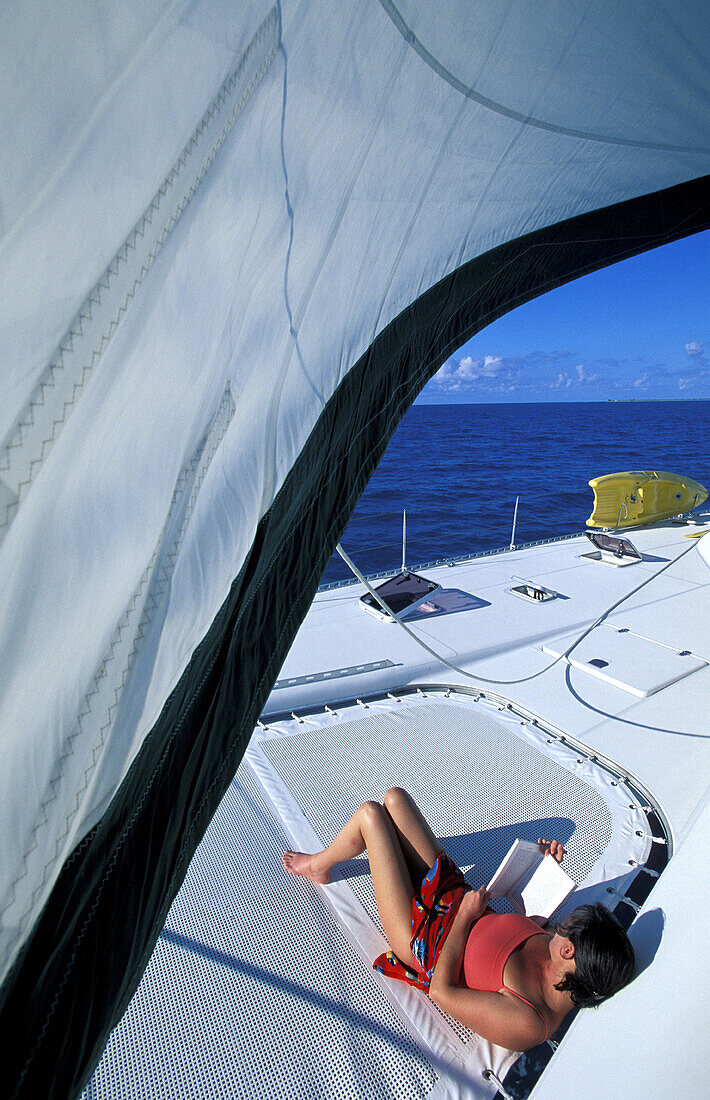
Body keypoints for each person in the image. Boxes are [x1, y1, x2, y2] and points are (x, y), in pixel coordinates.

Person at [283, 787, 635, 1052]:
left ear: (569, 952)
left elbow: (442, 992)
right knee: (395, 799)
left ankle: (319, 866)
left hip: (423, 940)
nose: (558, 926)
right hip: (453, 897)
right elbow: (524, 928)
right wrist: (542, 866)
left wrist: (466, 917)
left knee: (371, 816)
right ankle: (388, 860)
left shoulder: (529, 1021)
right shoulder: (559, 964)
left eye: (564, 929)